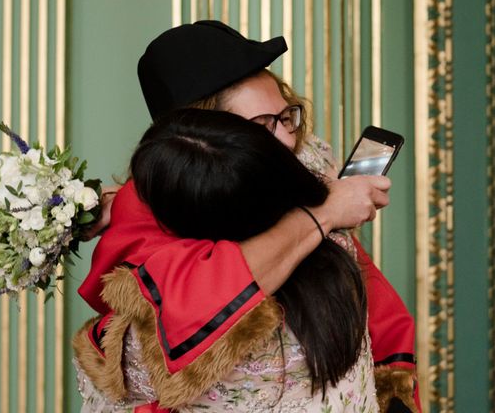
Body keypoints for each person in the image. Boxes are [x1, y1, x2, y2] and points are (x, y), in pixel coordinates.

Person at [75, 21, 419, 412]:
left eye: (286, 115)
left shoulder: (305, 159)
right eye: (261, 126)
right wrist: (324, 212)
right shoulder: (145, 215)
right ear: (204, 137)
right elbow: (196, 300)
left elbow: (366, 285)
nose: (288, 139)